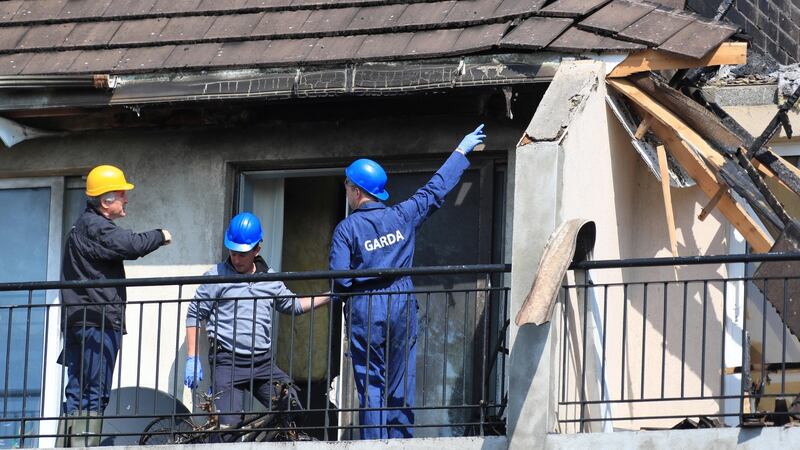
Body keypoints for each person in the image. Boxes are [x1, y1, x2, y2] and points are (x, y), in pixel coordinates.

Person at [329, 124, 486, 439]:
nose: (346, 189)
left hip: (366, 306)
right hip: (401, 302)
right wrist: (460, 151)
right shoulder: (402, 215)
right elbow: (434, 190)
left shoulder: (347, 230)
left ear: (356, 190)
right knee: (401, 382)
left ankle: (373, 444)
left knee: (372, 383)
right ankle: (400, 443)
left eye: (347, 184)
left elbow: (341, 282)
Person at [184, 212, 330, 433]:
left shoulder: (269, 279)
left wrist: (331, 295)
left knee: (292, 409)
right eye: (233, 253)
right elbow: (194, 314)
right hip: (228, 363)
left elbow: (294, 306)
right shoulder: (216, 276)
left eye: (243, 254)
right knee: (227, 430)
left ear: (256, 250)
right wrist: (192, 358)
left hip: (262, 364)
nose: (236, 259)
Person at [58, 164, 171, 447]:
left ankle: (69, 445)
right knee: (94, 392)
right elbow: (131, 245)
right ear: (106, 201)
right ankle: (83, 446)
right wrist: (161, 234)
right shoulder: (95, 227)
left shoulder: (85, 224)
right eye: (122, 194)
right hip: (96, 320)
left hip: (82, 319)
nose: (127, 199)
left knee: (79, 391)